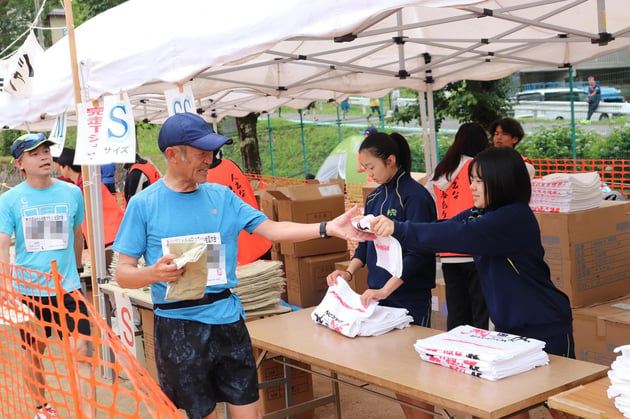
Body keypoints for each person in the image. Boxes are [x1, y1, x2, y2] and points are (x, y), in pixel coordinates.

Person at [112, 112, 372, 419]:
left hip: (227, 321)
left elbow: (272, 230)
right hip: (179, 327)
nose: (210, 160)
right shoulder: (144, 205)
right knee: (200, 413)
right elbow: (123, 274)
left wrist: (328, 228)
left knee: (248, 408)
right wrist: (153, 273)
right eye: (201, 154)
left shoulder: (223, 197)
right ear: (172, 154)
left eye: (211, 152)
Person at [370, 146, 574, 355]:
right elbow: (442, 230)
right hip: (511, 328)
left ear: (502, 180)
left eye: (478, 181)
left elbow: (457, 234)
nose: (472, 187)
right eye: (471, 181)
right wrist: (386, 232)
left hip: (543, 327)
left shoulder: (513, 217)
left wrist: (399, 227)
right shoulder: (483, 213)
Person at [326, 131, 437, 419]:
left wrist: (387, 289)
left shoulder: (415, 197)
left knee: (414, 373)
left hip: (408, 297)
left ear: (391, 161)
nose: (367, 173)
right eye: (363, 167)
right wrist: (348, 274)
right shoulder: (375, 196)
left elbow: (419, 253)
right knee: (396, 373)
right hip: (378, 297)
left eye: (371, 166)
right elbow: (365, 244)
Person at [0, 133, 93, 418]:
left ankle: (87, 412)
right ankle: (42, 407)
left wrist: (77, 270)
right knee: (34, 352)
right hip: (30, 292)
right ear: (20, 164)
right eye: (34, 153)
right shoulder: (10, 200)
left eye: (46, 151)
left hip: (68, 289)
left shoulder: (72, 192)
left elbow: (77, 235)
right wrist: (6, 288)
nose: (44, 156)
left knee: (82, 349)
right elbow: (2, 244)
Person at [424, 122, 490, 330]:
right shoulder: (477, 166)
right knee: (480, 311)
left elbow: (430, 199)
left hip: (448, 249)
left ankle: (455, 351)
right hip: (474, 247)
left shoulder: (442, 170)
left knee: (457, 312)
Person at [56, 147, 125, 274]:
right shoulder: (83, 183)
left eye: (60, 166)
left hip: (109, 239)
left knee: (110, 279)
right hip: (108, 237)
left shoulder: (86, 185)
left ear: (66, 167)